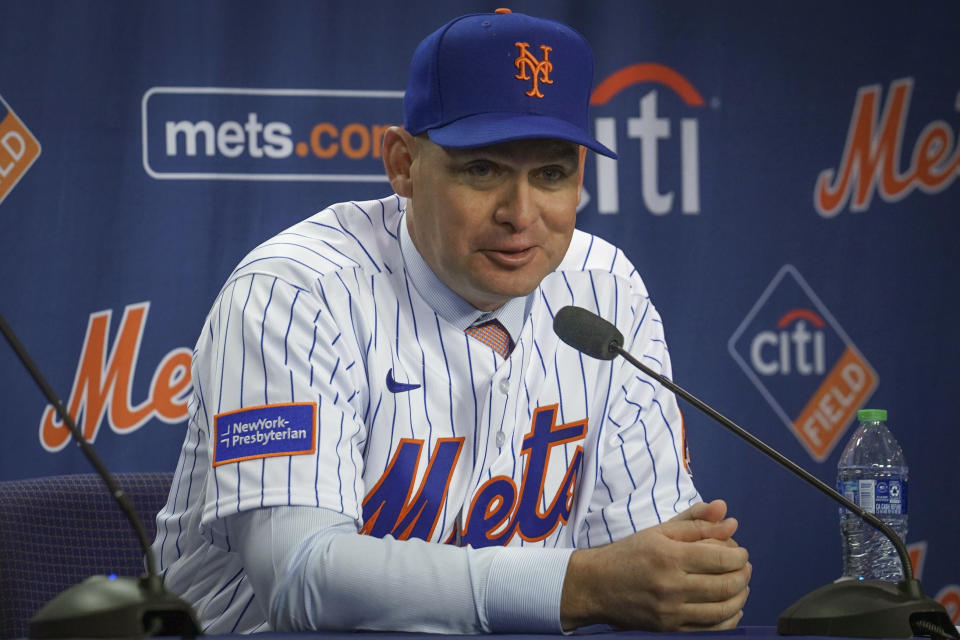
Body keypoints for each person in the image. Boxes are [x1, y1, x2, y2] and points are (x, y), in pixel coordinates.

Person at [152, 9, 751, 634]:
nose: (520, 214)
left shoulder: (607, 291)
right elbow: (303, 577)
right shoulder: (296, 291)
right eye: (483, 169)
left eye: (551, 174)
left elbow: (651, 554)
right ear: (403, 164)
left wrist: (689, 583)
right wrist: (578, 585)